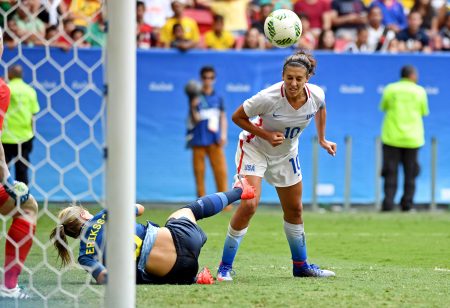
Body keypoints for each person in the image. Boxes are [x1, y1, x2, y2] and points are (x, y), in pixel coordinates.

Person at [216, 51, 337, 281]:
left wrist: (322, 138)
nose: (293, 83)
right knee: (249, 204)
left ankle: (301, 266)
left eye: (298, 79)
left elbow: (321, 108)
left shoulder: (316, 95)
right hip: (255, 149)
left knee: (295, 210)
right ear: (282, 75)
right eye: (289, 77)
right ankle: (224, 267)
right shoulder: (268, 97)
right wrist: (266, 134)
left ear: (307, 79)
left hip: (286, 154)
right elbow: (237, 117)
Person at [49, 178, 255, 285]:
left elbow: (104, 278)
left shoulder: (85, 256)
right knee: (186, 211)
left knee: (138, 271)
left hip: (180, 272)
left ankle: (197, 278)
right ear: (84, 215)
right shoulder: (103, 215)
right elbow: (140, 209)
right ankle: (240, 190)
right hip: (183, 239)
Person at [0, 31, 39, 300]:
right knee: (26, 203)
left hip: (10, 138)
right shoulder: (6, 89)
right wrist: (5, 177)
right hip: (22, 137)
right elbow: (34, 115)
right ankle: (9, 285)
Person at [380, 65, 429, 212]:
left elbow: (384, 106)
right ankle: (407, 204)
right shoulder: (420, 91)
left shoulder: (390, 89)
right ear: (412, 75)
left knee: (390, 172)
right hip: (413, 138)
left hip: (391, 137)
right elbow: (424, 111)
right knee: (411, 173)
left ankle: (388, 204)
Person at [185, 66, 229, 203]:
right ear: (201, 78)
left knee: (221, 172)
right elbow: (195, 119)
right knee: (199, 172)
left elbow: (223, 117)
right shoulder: (195, 97)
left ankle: (224, 202)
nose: (208, 80)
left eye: (211, 78)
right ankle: (200, 203)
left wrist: (223, 135)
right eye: (205, 78)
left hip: (215, 140)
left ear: (214, 79)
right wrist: (192, 106)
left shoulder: (218, 97)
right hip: (198, 140)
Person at [2, 65, 40, 185]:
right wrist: (32, 133)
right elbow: (33, 114)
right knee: (22, 171)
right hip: (24, 136)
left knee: (2, 171)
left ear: (9, 75)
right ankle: (22, 201)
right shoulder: (30, 91)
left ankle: (3, 200)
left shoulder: (5, 88)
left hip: (5, 137)